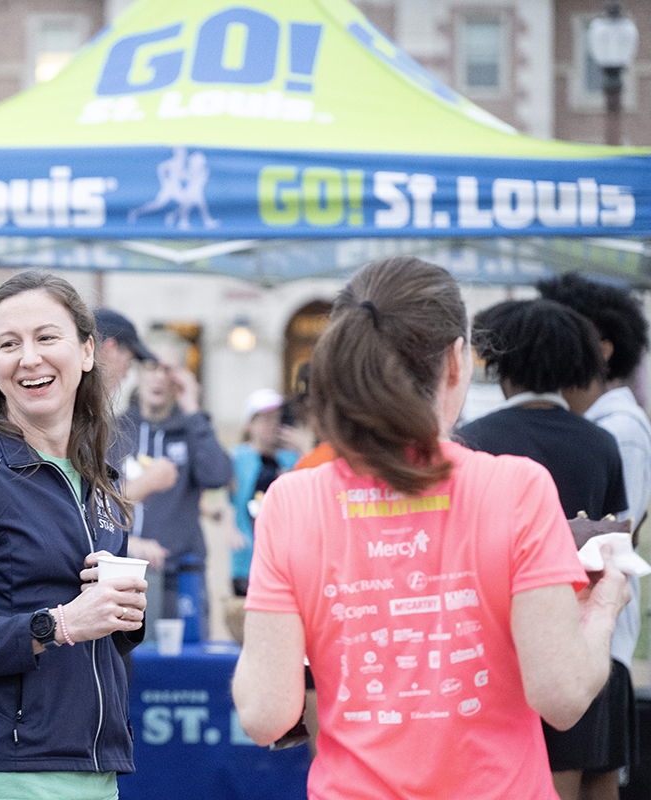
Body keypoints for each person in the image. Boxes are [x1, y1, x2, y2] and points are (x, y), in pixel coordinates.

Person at [232, 256, 631, 800]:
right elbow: (562, 698)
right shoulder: (518, 488)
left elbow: (263, 714)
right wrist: (603, 603)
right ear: (455, 361)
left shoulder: (292, 500)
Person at [0, 271, 146, 800]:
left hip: (94, 769)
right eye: (8, 344)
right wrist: (56, 624)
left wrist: (125, 615)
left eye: (46, 337)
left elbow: (101, 632)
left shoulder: (101, 477)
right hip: (2, 774)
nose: (29, 358)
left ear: (86, 352)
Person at [458, 297, 631, 800]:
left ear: (500, 365)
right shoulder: (600, 442)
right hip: (588, 642)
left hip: (506, 655)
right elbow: (617, 542)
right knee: (599, 784)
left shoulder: (472, 440)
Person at [540, 273, 649, 798]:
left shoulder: (618, 428)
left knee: (583, 774)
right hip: (588, 630)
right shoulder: (601, 422)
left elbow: (613, 533)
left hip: (599, 634)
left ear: (603, 348)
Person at [112, 331, 232, 630]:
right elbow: (93, 499)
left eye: (168, 369)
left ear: (180, 378)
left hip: (179, 576)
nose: (158, 377)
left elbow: (218, 476)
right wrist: (130, 542)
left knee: (184, 669)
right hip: (121, 573)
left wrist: (193, 407)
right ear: (138, 372)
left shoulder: (191, 428)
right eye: (151, 367)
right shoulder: (114, 430)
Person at [94, 307, 172, 569]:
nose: (126, 375)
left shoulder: (89, 413)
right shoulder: (74, 412)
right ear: (109, 348)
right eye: (128, 361)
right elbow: (79, 502)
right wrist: (145, 484)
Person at [229, 389, 299, 597]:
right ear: (250, 424)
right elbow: (218, 499)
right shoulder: (236, 457)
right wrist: (228, 527)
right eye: (265, 419)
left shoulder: (293, 459)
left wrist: (304, 449)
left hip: (287, 565)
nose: (272, 425)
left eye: (277, 419)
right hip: (246, 563)